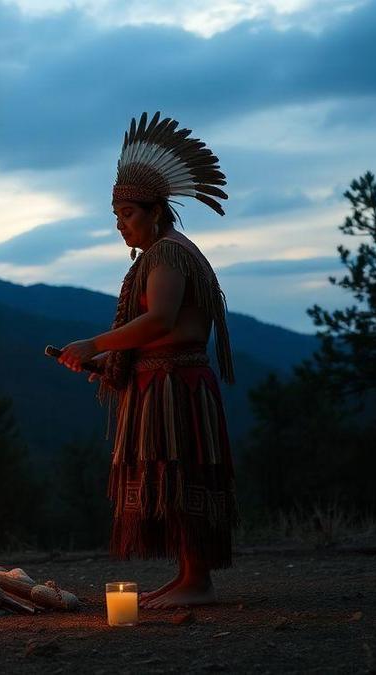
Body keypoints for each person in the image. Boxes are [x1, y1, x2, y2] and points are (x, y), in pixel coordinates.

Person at [58, 112, 236, 608]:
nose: (121, 226)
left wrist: (96, 344)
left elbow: (159, 320)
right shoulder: (162, 252)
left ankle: (196, 581)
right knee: (171, 475)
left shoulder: (169, 255)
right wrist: (104, 362)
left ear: (156, 210)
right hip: (163, 384)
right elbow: (154, 333)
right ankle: (187, 578)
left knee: (181, 473)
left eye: (129, 215)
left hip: (177, 387)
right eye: (117, 218)